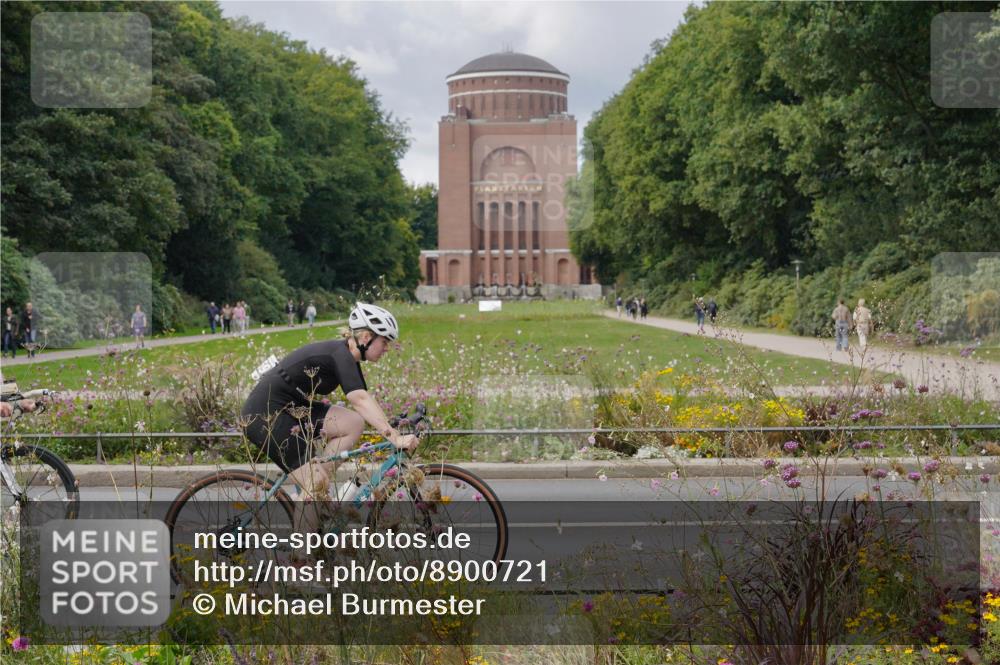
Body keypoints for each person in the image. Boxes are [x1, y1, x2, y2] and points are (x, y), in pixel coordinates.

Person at [241, 303, 417, 548]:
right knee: (315, 485)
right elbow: (359, 399)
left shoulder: (347, 357)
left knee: (353, 422)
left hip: (292, 410)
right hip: (266, 414)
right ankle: (301, 563)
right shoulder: (340, 355)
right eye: (385, 341)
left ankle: (317, 487)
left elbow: (363, 402)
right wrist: (394, 437)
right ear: (366, 337)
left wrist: (391, 427)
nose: (387, 348)